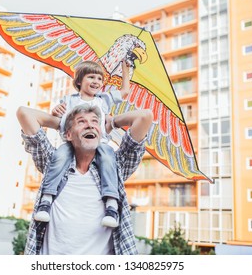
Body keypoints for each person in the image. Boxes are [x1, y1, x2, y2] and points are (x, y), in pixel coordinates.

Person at [17, 104, 152, 254]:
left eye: (95, 122)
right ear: (68, 135)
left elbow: (145, 117)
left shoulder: (115, 167)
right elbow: (24, 113)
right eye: (81, 122)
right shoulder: (53, 163)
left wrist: (112, 122)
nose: (90, 125)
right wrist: (60, 123)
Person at [31, 60, 131, 228]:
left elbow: (125, 91)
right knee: (59, 157)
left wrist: (125, 69)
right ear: (79, 81)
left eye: (100, 79)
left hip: (98, 142)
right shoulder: (69, 100)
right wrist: (55, 112)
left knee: (108, 159)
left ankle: (112, 204)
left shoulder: (103, 99)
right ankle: (46, 201)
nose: (96, 82)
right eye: (91, 77)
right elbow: (59, 118)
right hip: (72, 142)